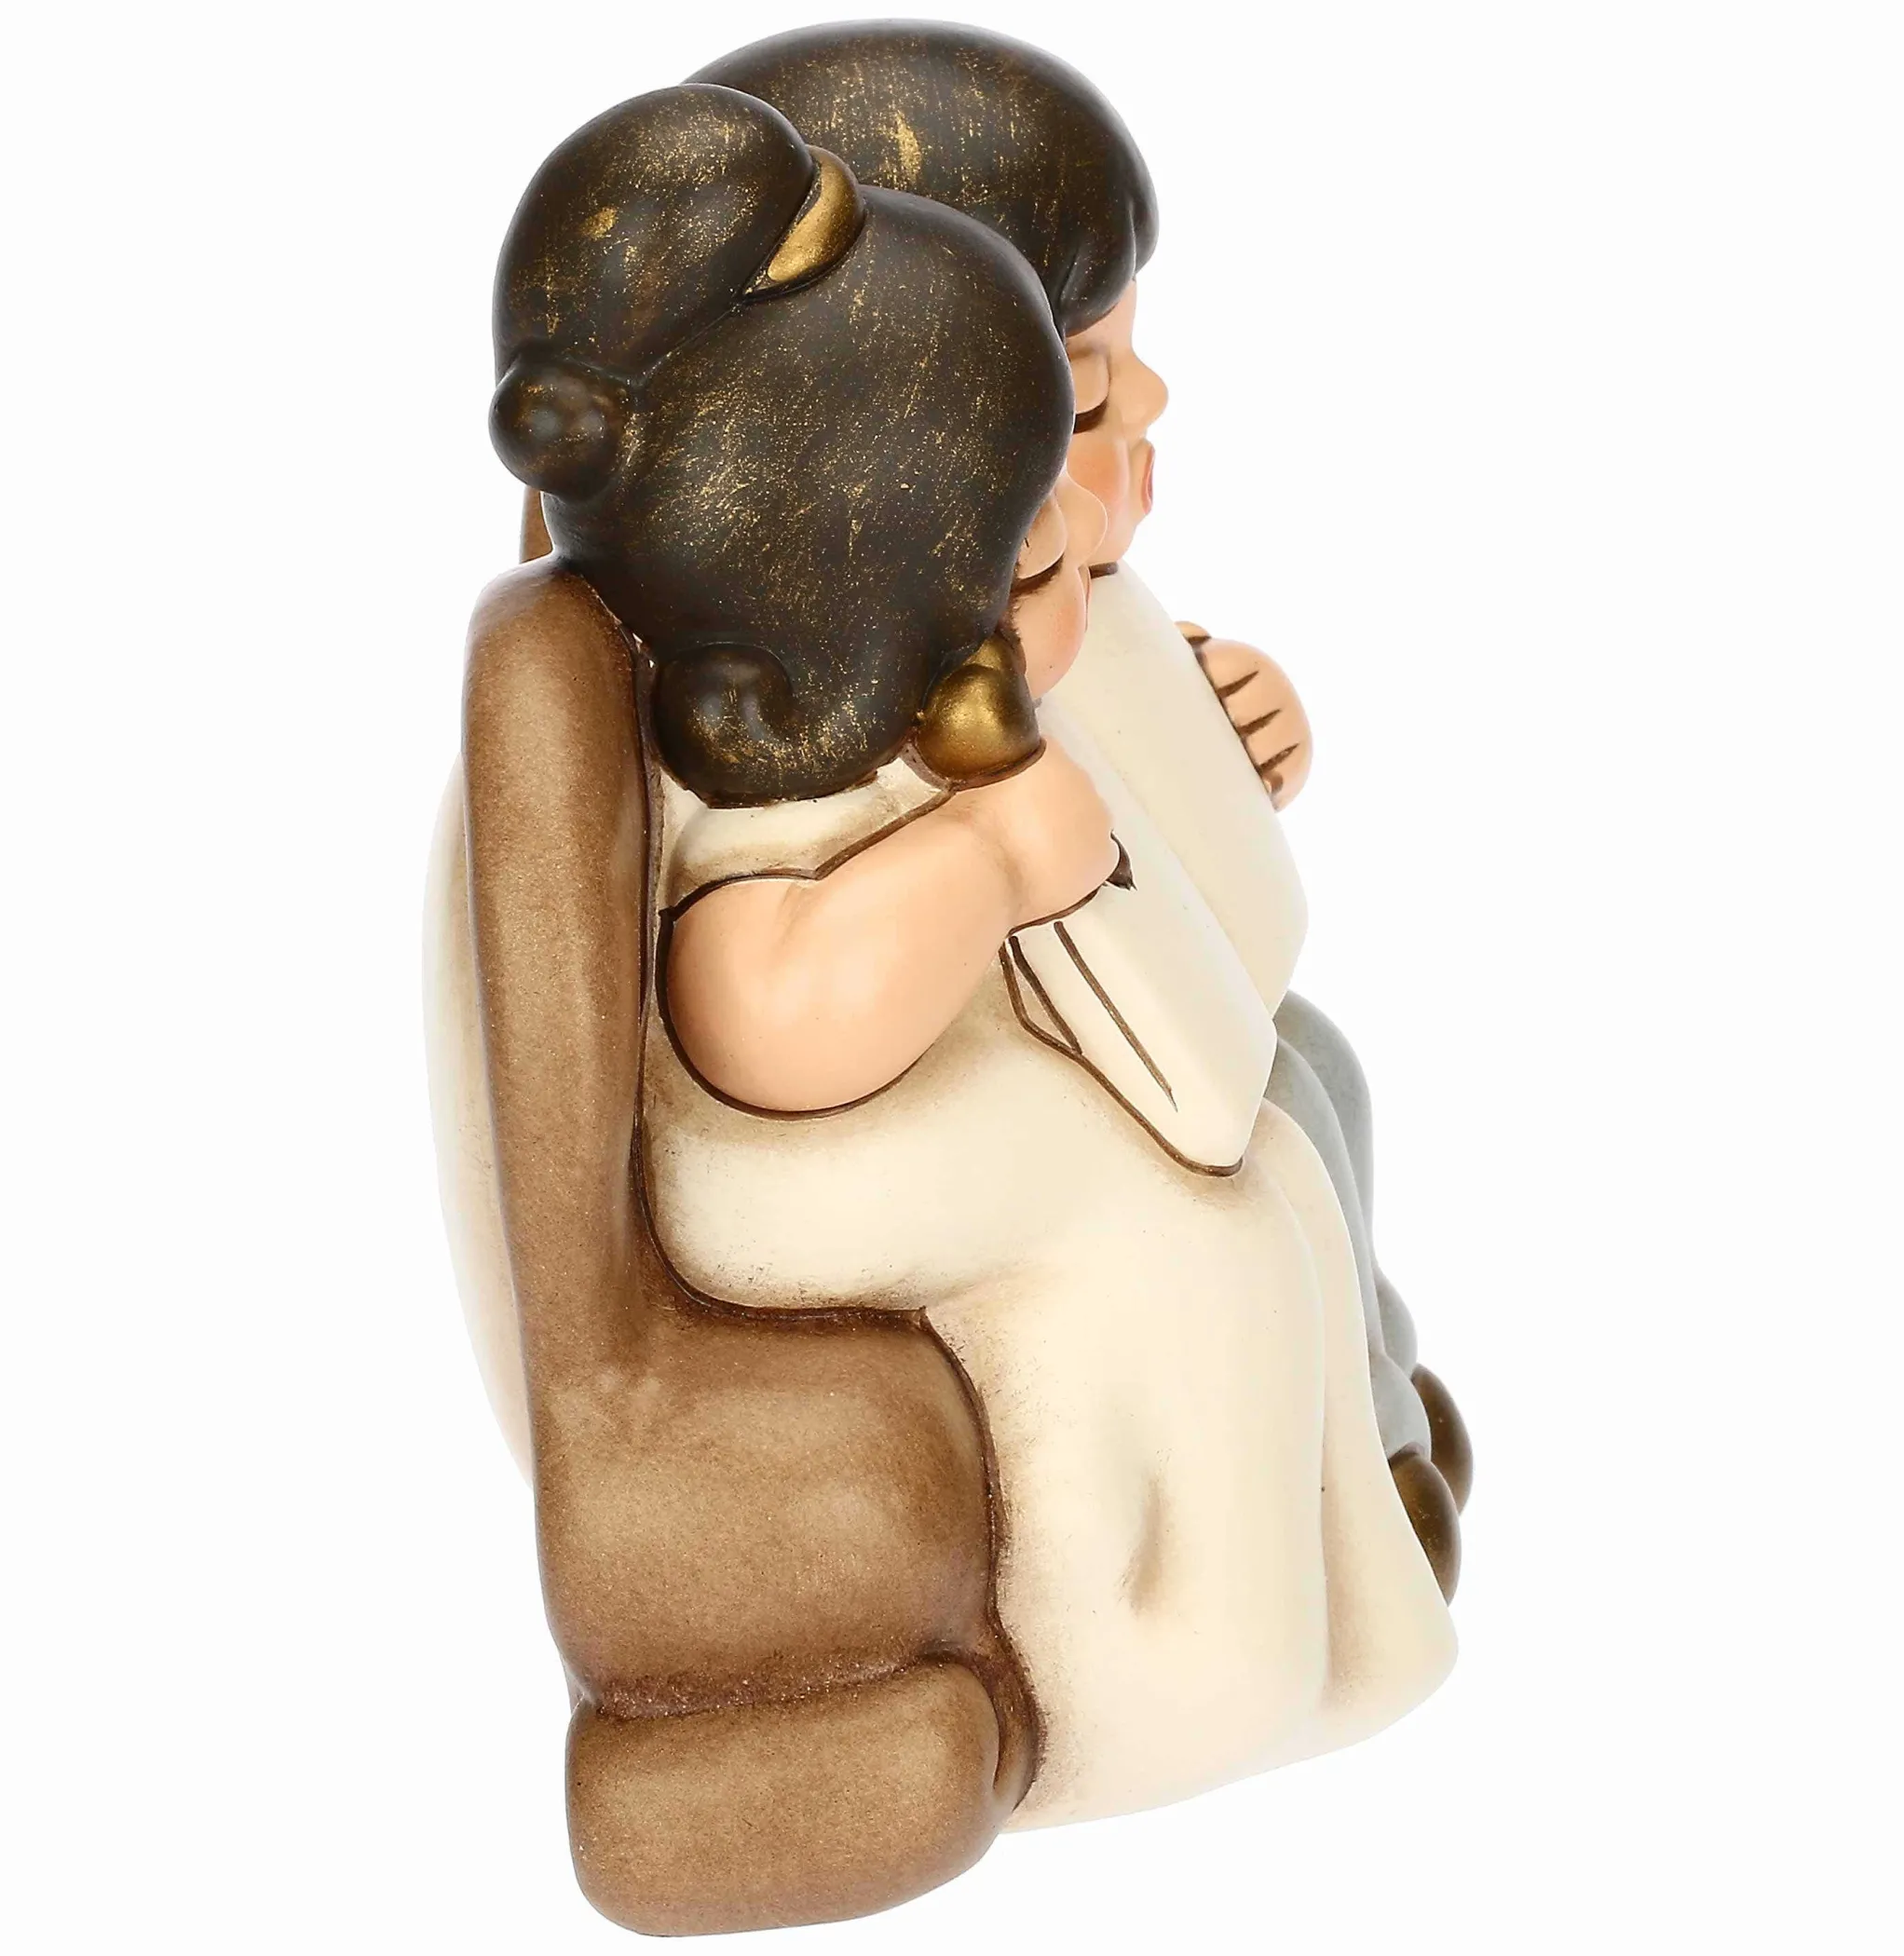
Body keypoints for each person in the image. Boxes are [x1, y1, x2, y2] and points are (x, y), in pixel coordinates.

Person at [428, 77, 1451, 1936]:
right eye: (1029, 557)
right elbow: (763, 1017)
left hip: (942, 1111)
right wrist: (980, 865)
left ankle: (1331, 1534)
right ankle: (1173, 1667)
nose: (1072, 574)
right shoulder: (738, 763)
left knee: (1278, 1156)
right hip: (802, 1180)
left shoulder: (844, 661)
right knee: (1193, 1256)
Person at [689, 19, 1475, 1522]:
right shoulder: (846, 689)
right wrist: (988, 859)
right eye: (1098, 398)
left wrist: (1242, 714)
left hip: (1174, 998)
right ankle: (1337, 1476)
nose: (1156, 406)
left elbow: (1146, 740)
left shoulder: (1064, 611)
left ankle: (1373, 1393)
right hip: (1021, 1080)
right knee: (1263, 1168)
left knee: (1326, 1078)